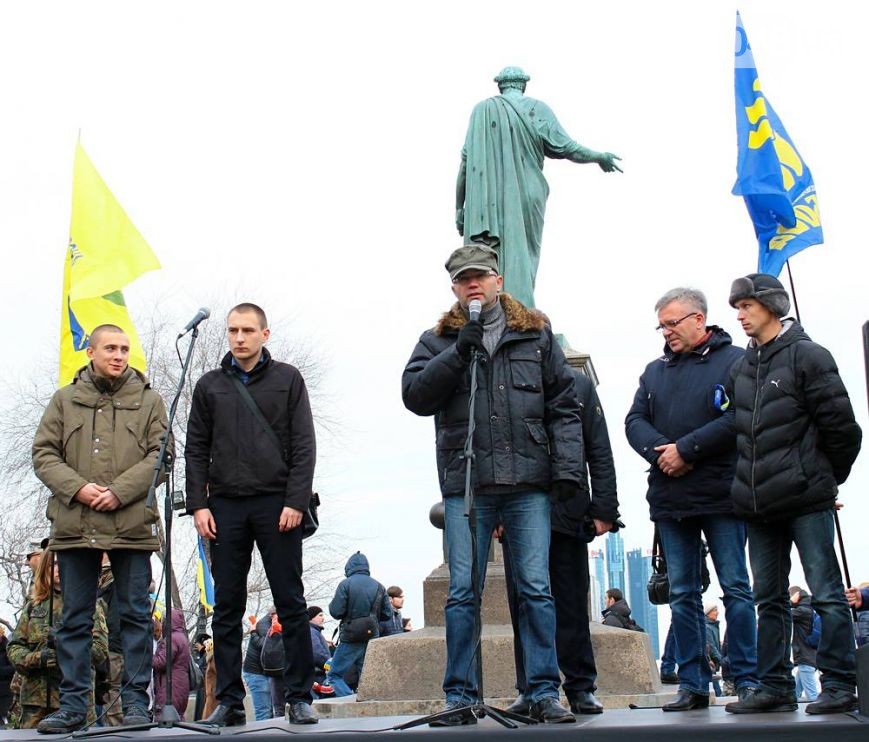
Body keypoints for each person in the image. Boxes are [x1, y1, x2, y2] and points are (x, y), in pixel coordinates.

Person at [402, 244, 581, 725]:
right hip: (468, 487)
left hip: (528, 484)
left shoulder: (535, 334)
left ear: (498, 280)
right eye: (463, 279)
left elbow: (564, 406)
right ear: (455, 289)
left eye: (480, 275)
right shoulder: (438, 339)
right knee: (462, 592)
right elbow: (415, 396)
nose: (472, 284)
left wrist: (566, 473)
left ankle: (543, 691)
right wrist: (459, 352)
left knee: (536, 590)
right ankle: (459, 696)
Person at [725, 274, 862, 715]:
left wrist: (820, 478)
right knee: (768, 597)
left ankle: (840, 684)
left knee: (825, 593)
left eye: (747, 306)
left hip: (805, 500)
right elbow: (738, 436)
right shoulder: (740, 368)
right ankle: (774, 686)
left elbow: (844, 430)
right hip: (757, 505)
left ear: (772, 306)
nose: (741, 315)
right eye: (738, 308)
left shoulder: (809, 356)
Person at [31, 324, 169, 734]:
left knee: (136, 618)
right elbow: (43, 453)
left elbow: (162, 455)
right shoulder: (64, 401)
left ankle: (134, 705)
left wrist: (118, 491)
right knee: (74, 618)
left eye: (125, 349)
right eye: (110, 348)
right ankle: (73, 705)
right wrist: (80, 490)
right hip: (76, 525)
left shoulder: (149, 401)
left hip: (131, 526)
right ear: (90, 352)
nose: (119, 355)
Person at [625, 288, 758, 712]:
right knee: (682, 593)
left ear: (699, 319)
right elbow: (634, 421)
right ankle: (693, 683)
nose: (666, 332)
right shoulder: (654, 371)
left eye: (672, 323)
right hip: (671, 498)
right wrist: (664, 451)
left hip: (722, 495)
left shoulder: (736, 360)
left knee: (736, 588)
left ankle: (746, 678)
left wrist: (688, 450)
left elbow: (739, 416)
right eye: (661, 325)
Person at [186, 302, 318, 726]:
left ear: (265, 333)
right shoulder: (209, 386)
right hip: (224, 506)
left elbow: (304, 444)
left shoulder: (287, 380)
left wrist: (295, 501)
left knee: (290, 603)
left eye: (246, 330)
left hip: (277, 504)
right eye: (232, 331)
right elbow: (195, 450)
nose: (238, 337)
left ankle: (299, 697)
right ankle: (228, 702)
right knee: (226, 607)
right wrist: (199, 504)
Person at [503, 368, 619, 716]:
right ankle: (531, 688)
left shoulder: (578, 383)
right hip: (517, 508)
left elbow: (598, 448)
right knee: (523, 604)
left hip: (567, 507)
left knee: (570, 603)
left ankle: (580, 686)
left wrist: (605, 508)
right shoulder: (505, 382)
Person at [456, 67, 621, 308]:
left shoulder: (481, 111)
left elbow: (465, 164)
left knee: (484, 258)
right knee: (523, 255)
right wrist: (599, 156)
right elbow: (567, 147)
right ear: (523, 85)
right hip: (526, 194)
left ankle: (492, 313)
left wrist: (459, 207)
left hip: (482, 203)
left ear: (500, 86)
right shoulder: (535, 109)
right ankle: (522, 313)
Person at [7, 551, 109, 729]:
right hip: (35, 704)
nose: (59, 569)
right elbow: (15, 648)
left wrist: (66, 644)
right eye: (53, 564)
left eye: (63, 564)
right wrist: (38, 658)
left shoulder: (91, 606)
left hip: (76, 702)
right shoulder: (33, 606)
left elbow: (100, 652)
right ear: (44, 568)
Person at [325, 552, 392, 697]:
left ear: (349, 567)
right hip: (372, 635)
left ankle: (348, 699)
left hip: (351, 636)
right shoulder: (379, 586)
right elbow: (388, 614)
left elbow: (336, 611)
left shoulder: (345, 584)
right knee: (367, 678)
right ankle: (368, 704)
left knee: (334, 675)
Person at [152, 608, 191, 717]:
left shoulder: (171, 639)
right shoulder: (182, 638)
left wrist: (148, 657)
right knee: (178, 716)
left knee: (166, 717)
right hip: (180, 685)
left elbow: (161, 662)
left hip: (170, 686)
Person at [241, 609, 275, 720]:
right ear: (272, 615)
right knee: (264, 712)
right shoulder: (263, 626)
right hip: (257, 674)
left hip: (264, 672)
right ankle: (263, 735)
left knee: (270, 711)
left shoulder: (270, 623)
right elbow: (267, 646)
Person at [788, 587, 819, 701]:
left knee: (812, 696)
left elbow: (782, 614)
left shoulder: (802, 611)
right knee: (794, 694)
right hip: (809, 656)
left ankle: (823, 717)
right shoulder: (810, 608)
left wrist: (790, 602)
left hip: (805, 656)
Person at [307, 606, 333, 696]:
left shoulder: (314, 632)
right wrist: (330, 665)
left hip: (317, 674)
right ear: (311, 618)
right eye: (320, 615)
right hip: (317, 676)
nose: (323, 618)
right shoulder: (312, 632)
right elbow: (317, 654)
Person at [704, 604, 723, 697]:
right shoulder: (707, 627)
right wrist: (721, 660)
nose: (717, 612)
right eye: (715, 610)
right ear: (708, 613)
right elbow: (711, 647)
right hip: (710, 662)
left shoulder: (713, 626)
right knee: (716, 690)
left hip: (712, 662)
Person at [191, 634, 210, 720]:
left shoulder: (207, 655)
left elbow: (205, 670)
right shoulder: (206, 654)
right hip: (203, 688)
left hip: (204, 688)